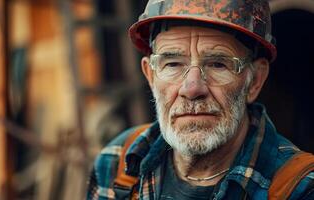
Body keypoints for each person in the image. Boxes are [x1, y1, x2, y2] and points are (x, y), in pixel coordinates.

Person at [87, 0, 314, 199]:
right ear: (151, 75)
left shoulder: (301, 188)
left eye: (218, 64)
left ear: (255, 80)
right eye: (173, 64)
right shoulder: (117, 162)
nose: (192, 88)